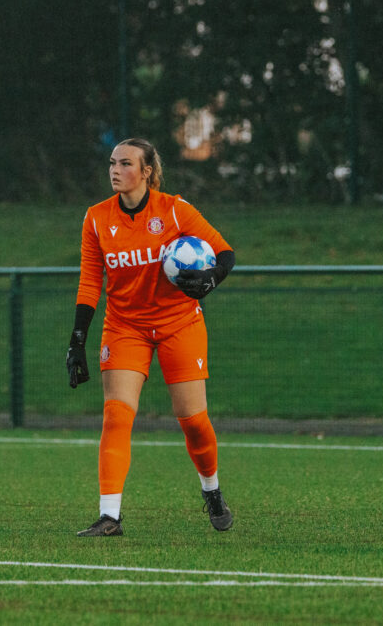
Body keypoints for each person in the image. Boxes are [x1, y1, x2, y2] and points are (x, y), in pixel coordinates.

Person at [67, 137, 235, 537]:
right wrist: (77, 340)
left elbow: (224, 252)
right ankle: (110, 516)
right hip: (125, 326)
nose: (114, 170)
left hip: (180, 322)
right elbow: (90, 284)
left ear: (146, 172)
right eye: (111, 162)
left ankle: (211, 489)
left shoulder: (175, 211)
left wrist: (210, 279)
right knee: (116, 415)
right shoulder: (96, 219)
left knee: (193, 422)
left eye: (125, 164)